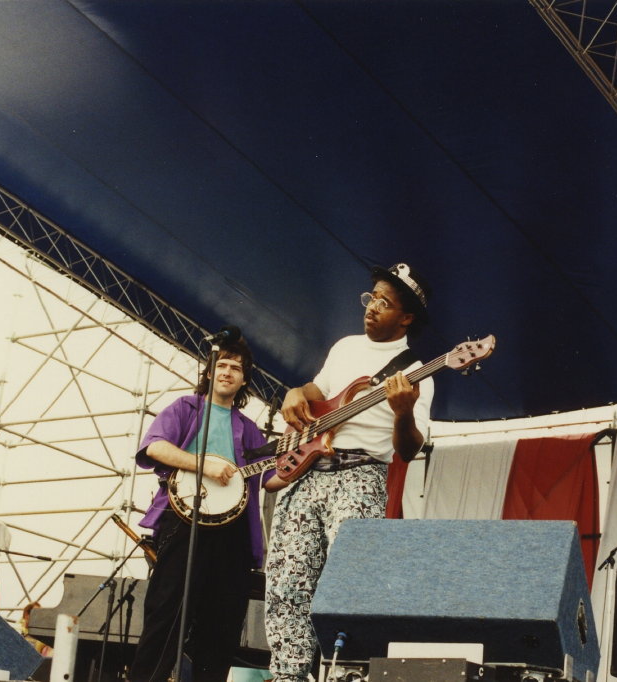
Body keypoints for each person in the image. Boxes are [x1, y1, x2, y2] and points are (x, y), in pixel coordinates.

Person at [264, 262, 434, 682]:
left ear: (406, 318)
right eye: (371, 298)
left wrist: (403, 413)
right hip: (308, 472)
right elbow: (317, 393)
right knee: (287, 581)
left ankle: (345, 675)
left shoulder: (417, 374)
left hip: (360, 475)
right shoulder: (344, 348)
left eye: (384, 303)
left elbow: (409, 449)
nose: (372, 307)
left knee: (350, 585)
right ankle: (287, 675)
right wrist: (295, 392)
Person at [128, 336, 285, 682]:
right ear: (210, 372)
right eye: (222, 365)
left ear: (244, 379)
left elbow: (271, 479)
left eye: (236, 368)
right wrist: (204, 465)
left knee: (221, 625)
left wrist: (305, 458)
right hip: (183, 521)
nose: (228, 372)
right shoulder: (185, 408)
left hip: (233, 532)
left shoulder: (249, 429)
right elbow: (154, 448)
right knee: (166, 613)